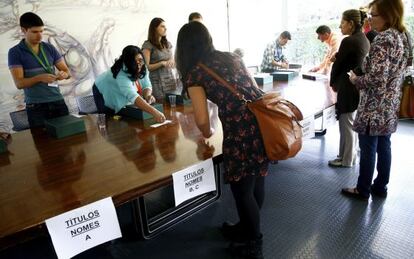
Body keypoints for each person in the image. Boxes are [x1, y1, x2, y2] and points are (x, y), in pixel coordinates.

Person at [176, 22, 268, 259]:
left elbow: (201, 119)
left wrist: (206, 134)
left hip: (240, 131)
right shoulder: (231, 57)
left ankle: (253, 243)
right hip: (262, 123)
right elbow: (255, 90)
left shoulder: (196, 72)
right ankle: (246, 227)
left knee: (241, 190)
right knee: (256, 180)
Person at [343, 0, 410, 200]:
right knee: (384, 146)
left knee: (368, 148)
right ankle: (380, 187)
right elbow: (401, 68)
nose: (369, 19)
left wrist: (356, 79)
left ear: (389, 15)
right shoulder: (403, 36)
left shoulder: (383, 39)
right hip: (390, 104)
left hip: (374, 105)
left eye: (374, 15)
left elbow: (376, 78)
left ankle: (362, 189)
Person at [8, 12, 71, 128]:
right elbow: (19, 83)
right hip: (36, 107)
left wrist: (63, 74)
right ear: (23, 30)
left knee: (67, 138)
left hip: (58, 102)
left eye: (41, 31)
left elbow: (67, 72)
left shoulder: (49, 48)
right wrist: (39, 78)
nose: (40, 36)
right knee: (42, 144)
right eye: (35, 32)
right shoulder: (15, 52)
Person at [328, 10, 370, 168]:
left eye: (343, 22)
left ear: (351, 24)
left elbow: (338, 65)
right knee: (350, 123)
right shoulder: (364, 39)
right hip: (357, 88)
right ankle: (348, 157)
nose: (340, 26)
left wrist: (332, 81)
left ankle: (346, 160)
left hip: (347, 87)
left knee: (347, 125)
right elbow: (348, 58)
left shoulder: (349, 41)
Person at [92, 45, 166, 123]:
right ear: (128, 62)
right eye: (135, 62)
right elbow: (133, 97)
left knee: (125, 115)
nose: (138, 65)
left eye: (140, 60)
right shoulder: (121, 74)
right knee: (109, 118)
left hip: (118, 87)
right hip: (101, 88)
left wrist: (147, 95)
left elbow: (146, 85)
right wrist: (155, 112)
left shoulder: (142, 66)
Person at [142, 18, 181, 101]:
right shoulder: (147, 45)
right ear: (155, 28)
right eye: (162, 26)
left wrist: (173, 61)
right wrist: (161, 63)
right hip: (157, 83)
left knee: (174, 105)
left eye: (165, 26)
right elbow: (146, 67)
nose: (165, 28)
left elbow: (173, 60)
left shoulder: (168, 44)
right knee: (162, 106)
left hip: (171, 80)